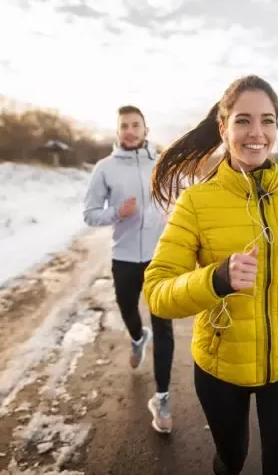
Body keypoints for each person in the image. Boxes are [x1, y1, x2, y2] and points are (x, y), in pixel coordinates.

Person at [143, 75, 278, 474]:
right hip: (221, 366)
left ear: (277, 126)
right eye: (243, 120)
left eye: (267, 120)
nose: (256, 133)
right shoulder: (196, 202)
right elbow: (157, 291)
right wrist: (216, 278)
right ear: (223, 127)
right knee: (232, 458)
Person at [83, 105, 174, 434]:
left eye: (136, 125)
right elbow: (91, 214)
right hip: (123, 256)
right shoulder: (104, 169)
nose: (130, 130)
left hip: (159, 258)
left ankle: (162, 398)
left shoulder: (162, 164)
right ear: (118, 131)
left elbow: (176, 199)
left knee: (164, 327)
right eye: (124, 126)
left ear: (146, 129)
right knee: (128, 310)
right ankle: (137, 338)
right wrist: (117, 213)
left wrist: (172, 213)